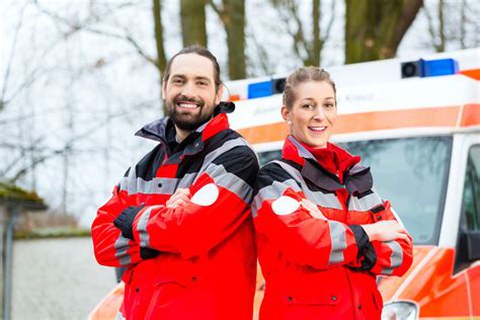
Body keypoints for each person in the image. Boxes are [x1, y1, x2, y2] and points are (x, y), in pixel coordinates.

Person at [91, 45, 259, 320]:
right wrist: (165, 219)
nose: (188, 92)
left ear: (218, 93)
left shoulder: (236, 157)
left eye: (201, 82)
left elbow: (192, 231)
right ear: (164, 88)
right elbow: (102, 244)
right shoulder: (142, 166)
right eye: (179, 81)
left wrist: (134, 220)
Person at [252, 67, 413, 320]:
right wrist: (370, 233)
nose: (320, 116)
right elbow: (312, 245)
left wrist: (336, 236)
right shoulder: (274, 179)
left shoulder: (357, 178)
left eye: (328, 105)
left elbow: (403, 253)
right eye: (308, 106)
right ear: (287, 113)